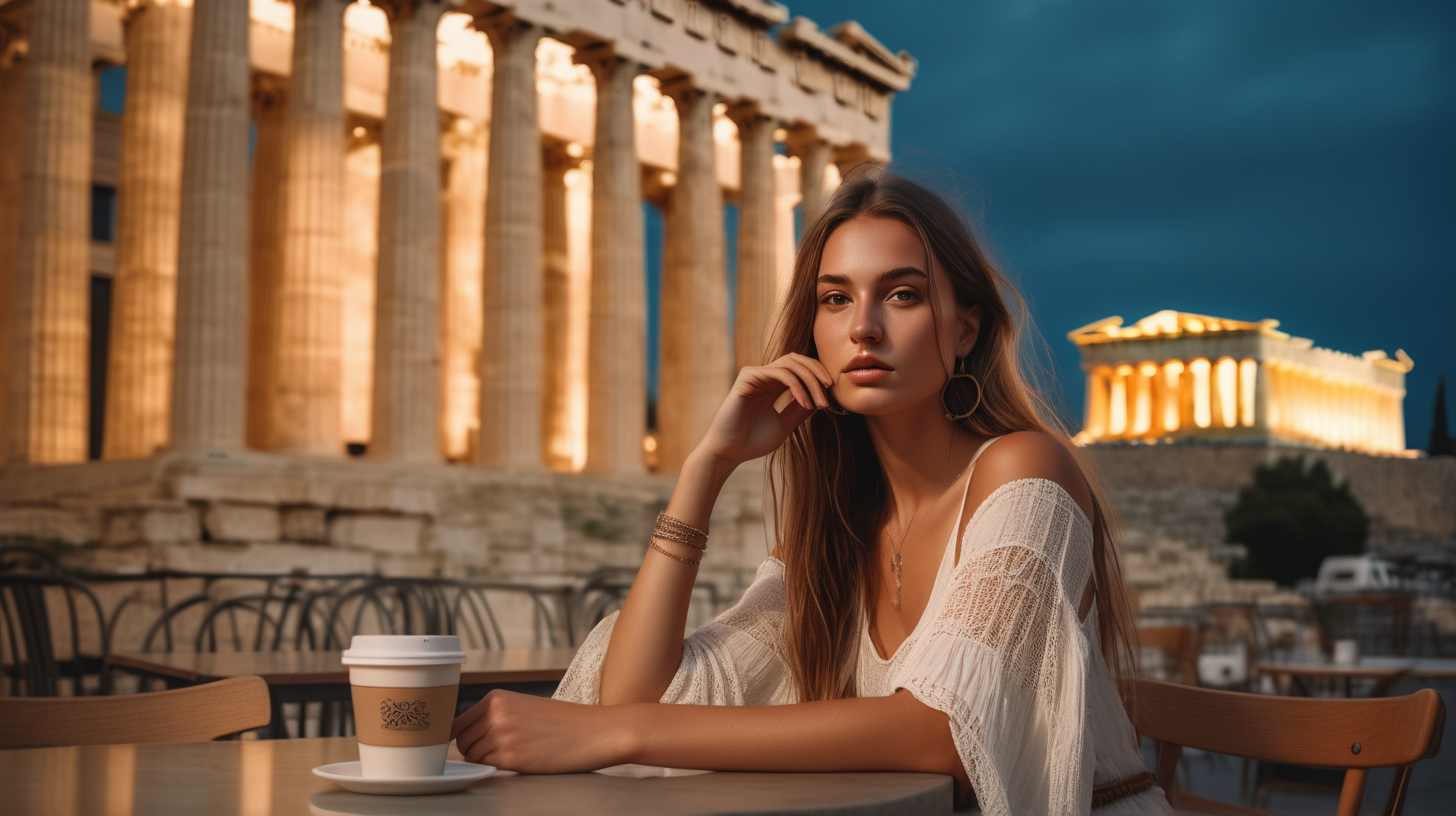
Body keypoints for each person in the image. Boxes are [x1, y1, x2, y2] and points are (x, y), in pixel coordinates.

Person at [450, 169, 1171, 814]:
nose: (864, 327)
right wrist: (707, 467)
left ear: (963, 327)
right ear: (814, 331)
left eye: (903, 294)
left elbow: (947, 730)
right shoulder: (838, 532)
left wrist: (619, 732)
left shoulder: (1026, 470)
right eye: (836, 299)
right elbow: (636, 695)